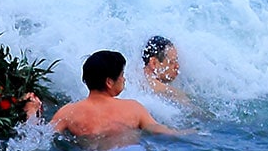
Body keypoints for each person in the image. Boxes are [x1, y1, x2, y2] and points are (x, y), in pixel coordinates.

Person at [50, 50, 180, 143]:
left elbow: (42, 137)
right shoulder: (133, 108)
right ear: (109, 82)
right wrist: (190, 133)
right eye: (122, 75)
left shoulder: (68, 112)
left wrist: (32, 112)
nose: (124, 79)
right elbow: (158, 130)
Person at [142, 36, 189, 103]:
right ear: (154, 63)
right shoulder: (164, 91)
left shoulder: (135, 77)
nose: (177, 66)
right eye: (172, 62)